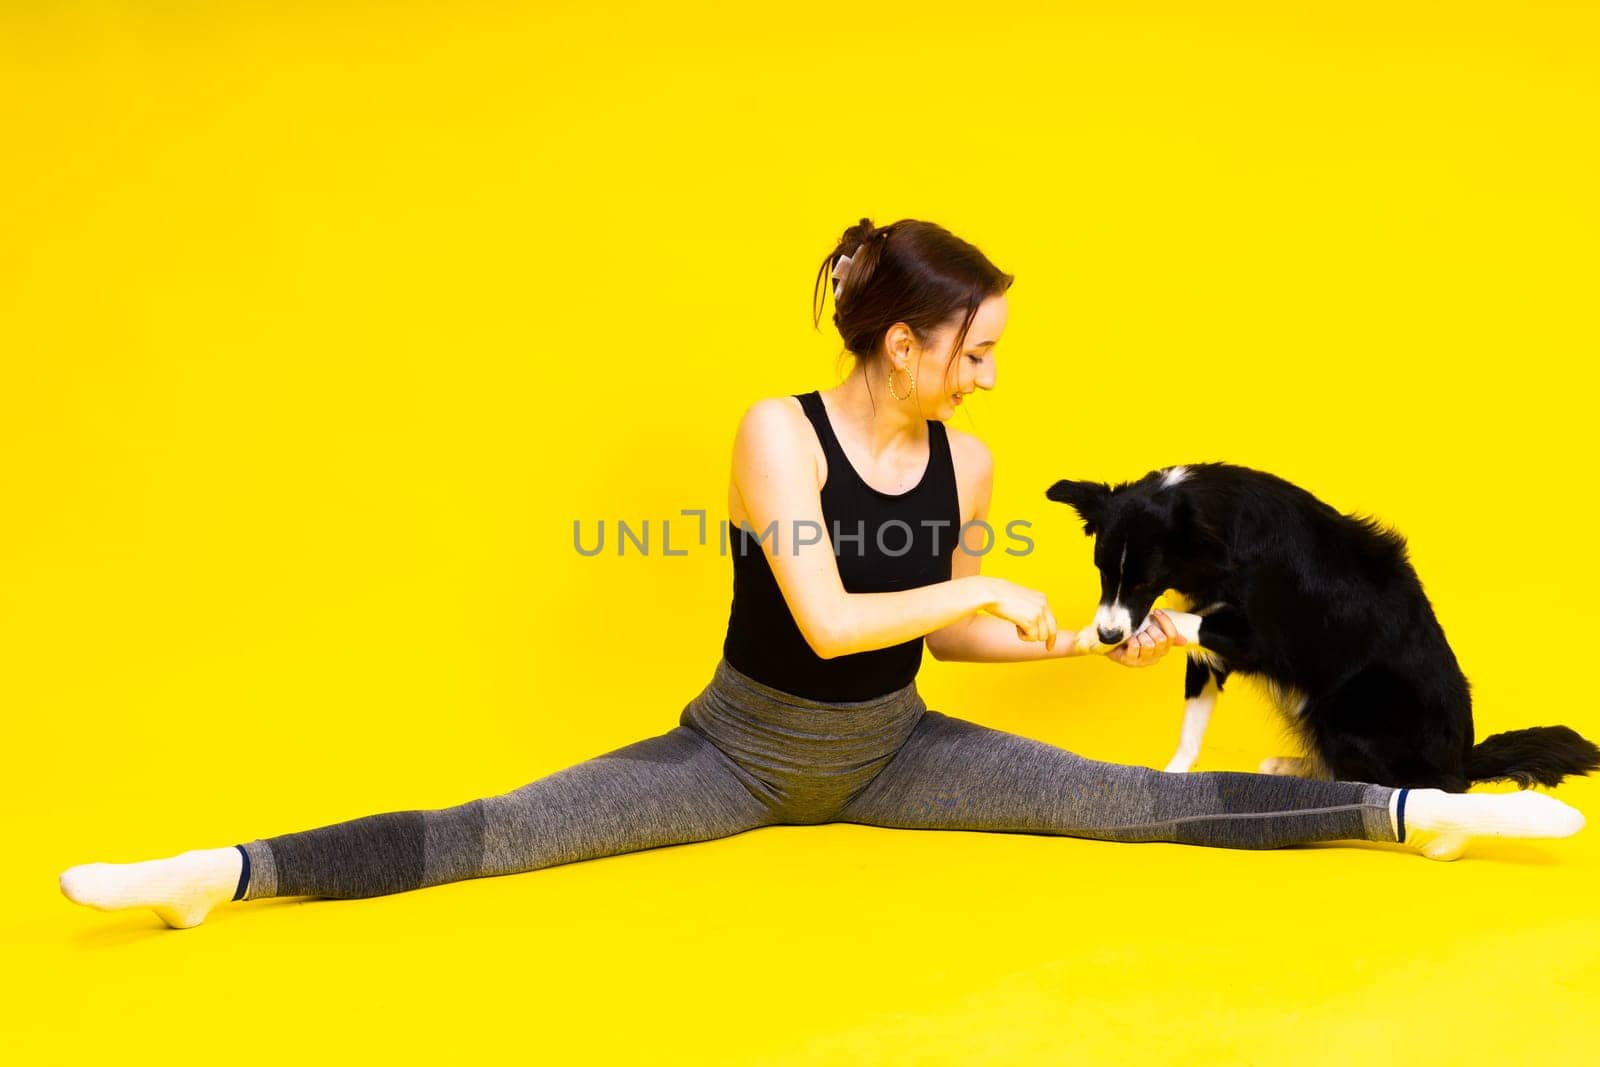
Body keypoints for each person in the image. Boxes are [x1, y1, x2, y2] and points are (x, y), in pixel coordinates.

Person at [60, 217, 1586, 930]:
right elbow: (832, 617)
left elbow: (951, 647)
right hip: (736, 756)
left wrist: (1064, 639)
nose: (991, 379)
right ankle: (227, 876)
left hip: (900, 754)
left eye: (998, 354)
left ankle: (1419, 812)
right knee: (498, 834)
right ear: (903, 342)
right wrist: (971, 598)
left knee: (1140, 809)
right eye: (974, 350)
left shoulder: (974, 471)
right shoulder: (774, 436)